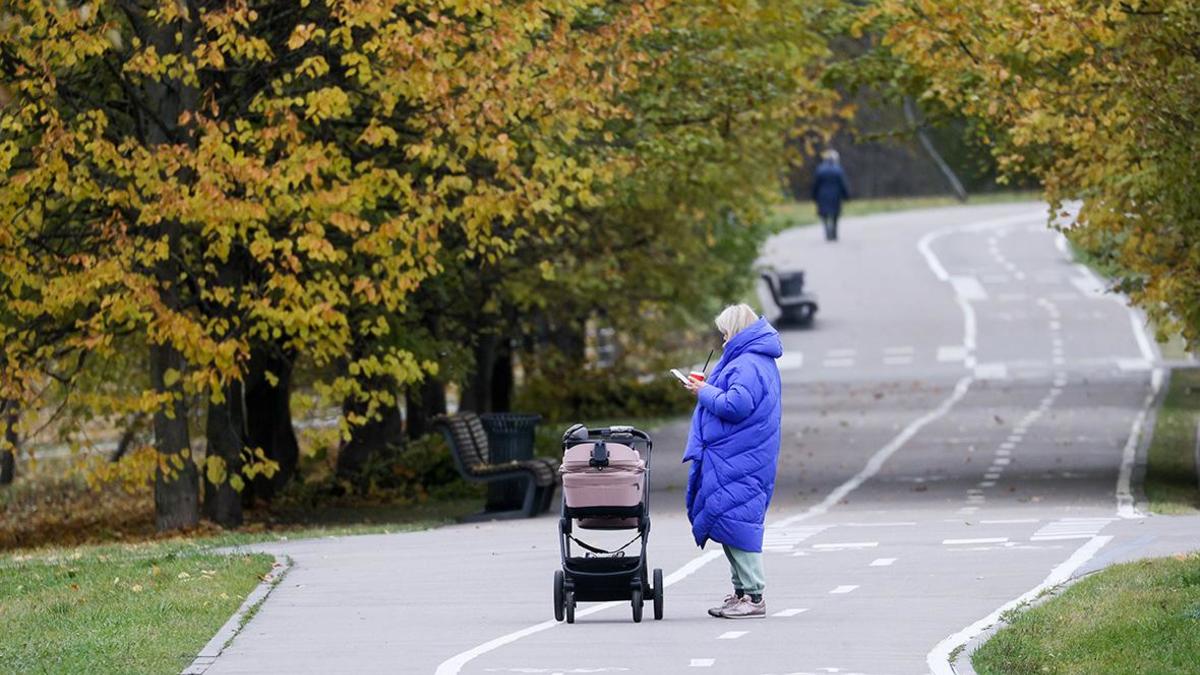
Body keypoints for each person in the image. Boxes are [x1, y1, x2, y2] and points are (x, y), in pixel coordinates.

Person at [680, 304, 783, 619]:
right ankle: (741, 591)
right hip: (737, 455)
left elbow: (736, 405)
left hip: (740, 457)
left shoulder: (748, 363)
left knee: (738, 523)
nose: (723, 340)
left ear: (736, 331)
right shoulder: (750, 360)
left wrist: (703, 391)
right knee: (729, 521)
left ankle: (754, 596)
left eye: (725, 333)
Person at [811, 148, 850, 241]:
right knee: (835, 215)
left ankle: (827, 232)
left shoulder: (820, 169)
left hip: (822, 195)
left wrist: (814, 195)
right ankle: (834, 233)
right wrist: (846, 195)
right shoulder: (838, 169)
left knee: (824, 215)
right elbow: (843, 184)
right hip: (836, 196)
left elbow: (815, 184)